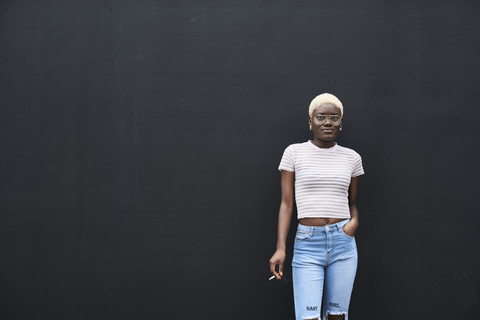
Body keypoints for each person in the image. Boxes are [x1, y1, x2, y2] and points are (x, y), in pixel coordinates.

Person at [269, 93, 364, 320]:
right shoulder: (294, 152)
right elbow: (286, 203)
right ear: (310, 121)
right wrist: (281, 247)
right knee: (308, 317)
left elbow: (352, 201)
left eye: (334, 118)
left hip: (343, 244)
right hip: (308, 244)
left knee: (337, 315)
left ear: (341, 123)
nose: (328, 122)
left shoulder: (352, 158)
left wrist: (355, 222)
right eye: (321, 117)